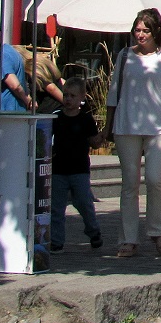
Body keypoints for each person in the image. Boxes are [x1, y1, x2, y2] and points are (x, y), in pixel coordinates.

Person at [105, 8, 161, 258]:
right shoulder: (124, 56)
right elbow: (113, 92)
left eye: (145, 30)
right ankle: (128, 238)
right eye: (137, 30)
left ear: (156, 32)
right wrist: (107, 126)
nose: (140, 35)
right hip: (127, 124)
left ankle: (158, 231)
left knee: (154, 179)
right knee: (129, 184)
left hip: (158, 126)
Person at [50, 77, 103, 251]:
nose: (68, 99)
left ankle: (93, 230)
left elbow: (94, 142)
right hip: (58, 169)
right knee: (56, 208)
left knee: (83, 202)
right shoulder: (56, 118)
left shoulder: (85, 120)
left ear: (82, 97)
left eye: (73, 95)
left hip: (79, 169)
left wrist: (101, 136)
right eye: (66, 95)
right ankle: (56, 241)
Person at [0, 23, 34, 112]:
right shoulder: (9, 51)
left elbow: (14, 85)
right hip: (9, 112)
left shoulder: (3, 56)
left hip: (5, 114)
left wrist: (28, 101)